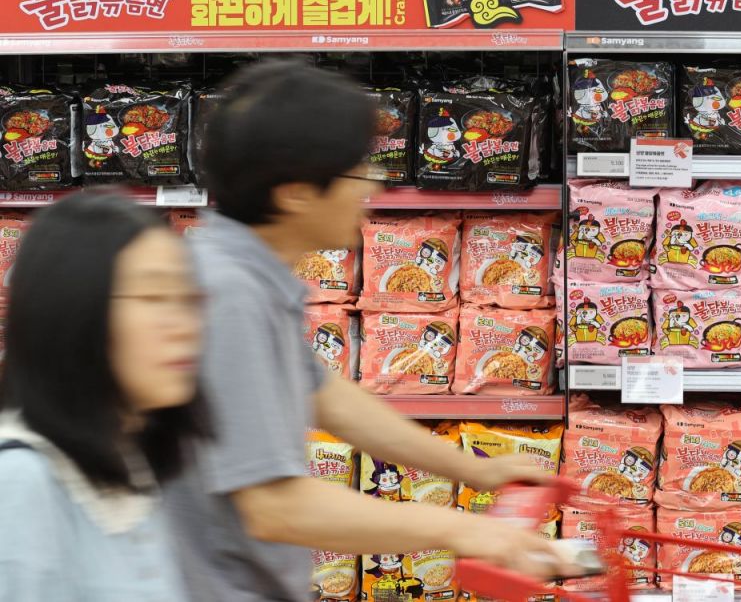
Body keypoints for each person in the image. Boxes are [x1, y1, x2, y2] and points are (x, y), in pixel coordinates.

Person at [166, 59, 575, 602]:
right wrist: (462, 529)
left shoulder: (255, 278)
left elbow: (330, 399)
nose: (374, 183)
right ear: (296, 193)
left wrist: (474, 470)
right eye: (355, 170)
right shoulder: (230, 295)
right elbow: (274, 507)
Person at [0, 193, 208, 600]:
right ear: (76, 311)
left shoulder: (135, 456)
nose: (185, 326)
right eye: (153, 297)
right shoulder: (22, 482)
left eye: (188, 299)